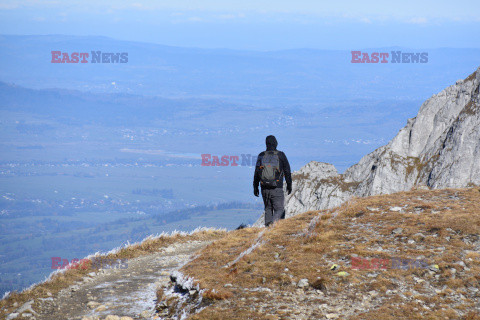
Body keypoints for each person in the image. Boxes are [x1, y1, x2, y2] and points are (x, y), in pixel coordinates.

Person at [253, 135, 292, 227]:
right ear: (276, 143)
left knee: (268, 209)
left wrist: (255, 187)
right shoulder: (280, 155)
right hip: (277, 187)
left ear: (266, 144)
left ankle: (267, 231)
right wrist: (289, 185)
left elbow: (257, 172)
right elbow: (287, 171)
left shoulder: (261, 155)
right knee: (279, 209)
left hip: (264, 188)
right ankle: (273, 227)